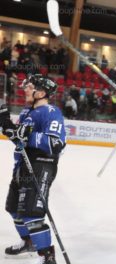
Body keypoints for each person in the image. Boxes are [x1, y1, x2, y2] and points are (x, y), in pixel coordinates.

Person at [0, 74, 66, 264]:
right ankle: (28, 242)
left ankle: (47, 256)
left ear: (42, 92)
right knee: (13, 208)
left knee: (31, 213)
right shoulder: (26, 112)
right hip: (22, 164)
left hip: (41, 165)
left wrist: (29, 135)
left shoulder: (51, 112)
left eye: (29, 87)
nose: (25, 89)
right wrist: (7, 126)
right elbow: (20, 139)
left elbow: (56, 143)